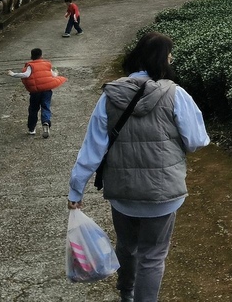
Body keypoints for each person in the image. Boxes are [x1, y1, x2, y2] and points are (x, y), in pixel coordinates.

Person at [68, 31, 209, 302]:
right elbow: (196, 140)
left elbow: (92, 148)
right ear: (162, 60)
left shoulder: (110, 95)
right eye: (169, 55)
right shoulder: (176, 94)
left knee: (127, 245)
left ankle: (126, 293)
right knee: (153, 256)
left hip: (123, 192)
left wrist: (76, 190)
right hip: (163, 194)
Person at [8, 47, 67, 138]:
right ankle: (45, 122)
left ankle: (32, 129)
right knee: (45, 107)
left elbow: (26, 75)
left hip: (35, 92)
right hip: (47, 91)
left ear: (31, 56)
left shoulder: (30, 66)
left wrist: (13, 74)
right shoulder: (47, 64)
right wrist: (56, 72)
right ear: (41, 56)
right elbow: (53, 75)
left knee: (33, 109)